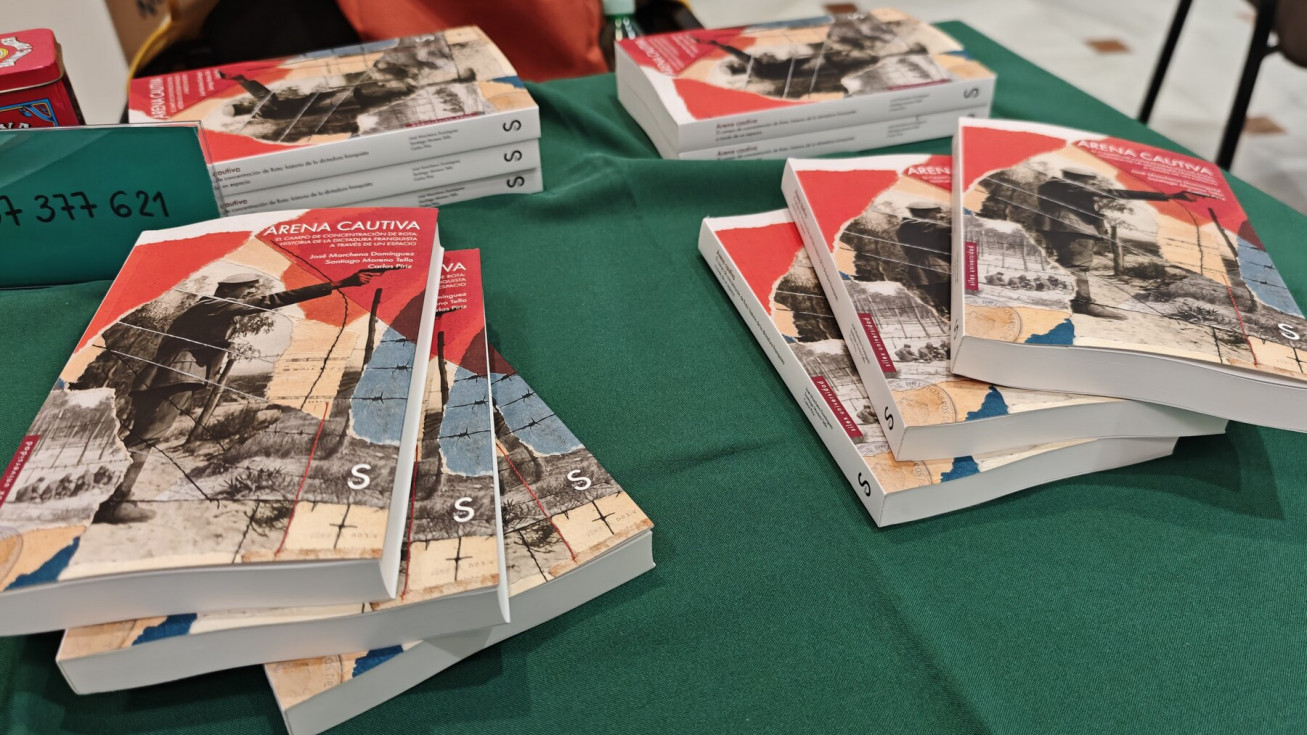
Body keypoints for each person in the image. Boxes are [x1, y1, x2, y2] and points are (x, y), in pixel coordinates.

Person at [92, 268, 381, 524]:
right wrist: (339, 283)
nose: (252, 294)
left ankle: (104, 494)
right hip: (174, 378)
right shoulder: (214, 304)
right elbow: (271, 301)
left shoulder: (208, 309)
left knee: (138, 437)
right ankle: (114, 504)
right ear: (229, 290)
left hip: (163, 377)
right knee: (145, 439)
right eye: (248, 290)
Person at [1036, 167, 1199, 320]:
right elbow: (1117, 193)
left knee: (1065, 262)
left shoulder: (1050, 186)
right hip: (1074, 229)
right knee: (1078, 266)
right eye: (1091, 181)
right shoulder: (1071, 187)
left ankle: (1049, 292)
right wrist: (1170, 195)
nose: (1093, 184)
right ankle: (1082, 304)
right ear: (1080, 180)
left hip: (1054, 227)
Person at [895, 201, 952, 316]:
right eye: (934, 212)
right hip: (930, 271)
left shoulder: (917, 227)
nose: (938, 216)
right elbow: (946, 228)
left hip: (933, 270)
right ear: (921, 213)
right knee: (950, 303)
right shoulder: (910, 225)